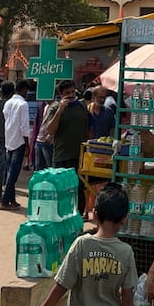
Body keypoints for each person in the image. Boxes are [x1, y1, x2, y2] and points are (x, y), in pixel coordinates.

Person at [44, 79, 89, 214]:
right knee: (61, 191)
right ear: (60, 94)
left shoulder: (81, 106)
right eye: (66, 93)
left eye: (72, 92)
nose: (70, 95)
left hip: (79, 157)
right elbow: (50, 130)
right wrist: (61, 109)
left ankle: (77, 221)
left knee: (78, 191)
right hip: (61, 156)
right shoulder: (55, 107)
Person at [0, 79, 30, 212]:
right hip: (19, 141)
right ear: (24, 90)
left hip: (9, 139)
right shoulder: (23, 104)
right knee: (13, 173)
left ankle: (11, 199)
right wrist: (27, 143)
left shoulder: (8, 103)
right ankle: (6, 201)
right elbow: (24, 126)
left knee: (10, 171)